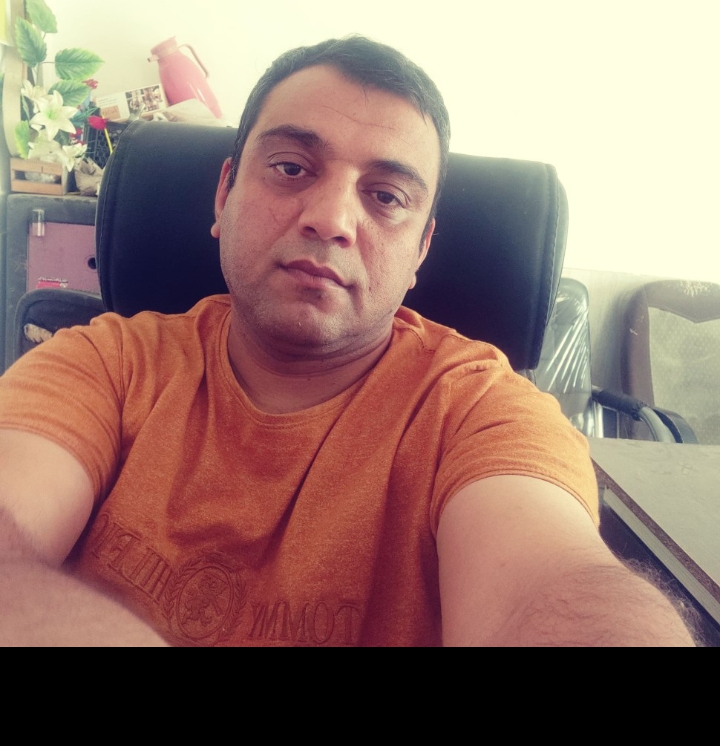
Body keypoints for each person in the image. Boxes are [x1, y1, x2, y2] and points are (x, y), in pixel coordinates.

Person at [0, 35, 694, 647]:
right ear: (224, 193)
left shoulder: (479, 411)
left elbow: (556, 593)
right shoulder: (105, 363)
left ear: (421, 250)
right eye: (291, 168)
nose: (331, 219)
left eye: (386, 197)